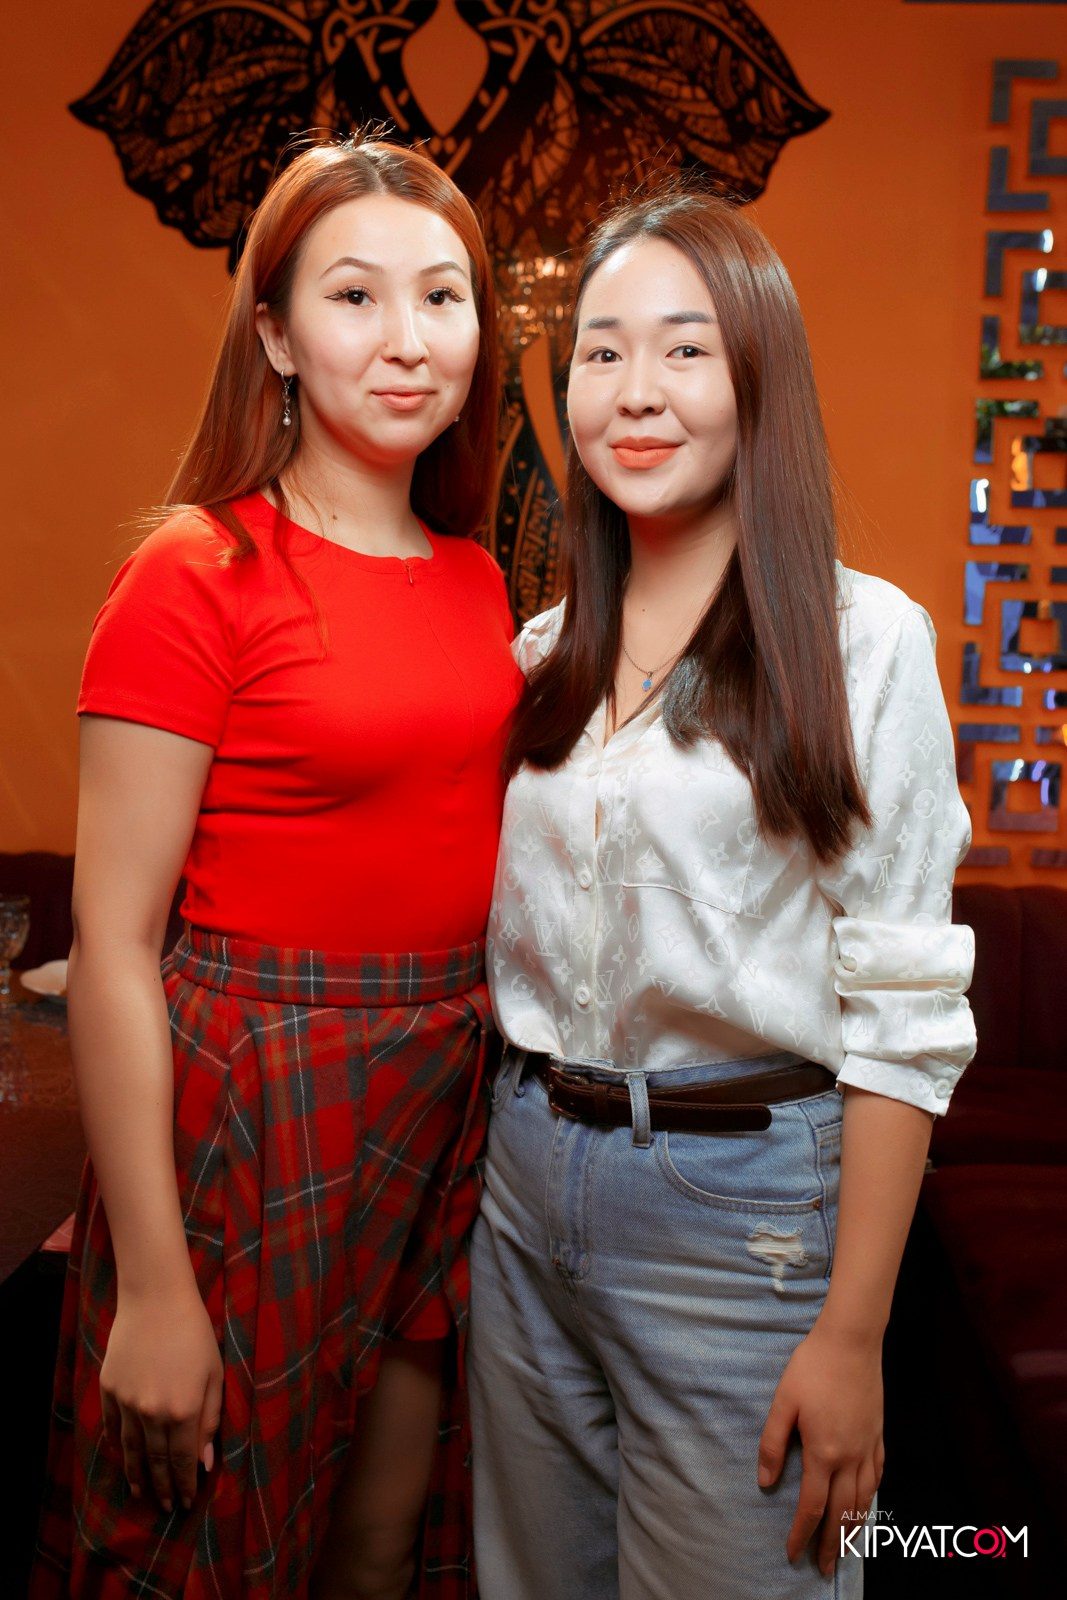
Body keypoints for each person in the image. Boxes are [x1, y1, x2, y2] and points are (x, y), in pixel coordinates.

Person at [468, 187, 976, 1599]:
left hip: (740, 1208)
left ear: (758, 378)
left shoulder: (863, 642)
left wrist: (853, 1335)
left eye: (685, 349)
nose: (637, 391)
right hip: (524, 1184)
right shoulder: (538, 655)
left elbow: (904, 1012)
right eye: (602, 351)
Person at [32, 135, 518, 1600]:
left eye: (443, 297)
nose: (408, 339)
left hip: (446, 1095)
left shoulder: (478, 577)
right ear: (277, 337)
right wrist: (154, 1287)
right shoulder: (195, 571)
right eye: (355, 296)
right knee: (212, 1555)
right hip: (261, 1103)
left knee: (382, 1547)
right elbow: (115, 948)